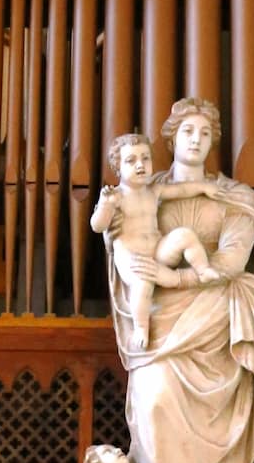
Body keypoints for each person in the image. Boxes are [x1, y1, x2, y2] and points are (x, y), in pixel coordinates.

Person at [105, 98, 254, 463]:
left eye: (205, 133)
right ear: (171, 137)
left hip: (215, 324)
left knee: (220, 422)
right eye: (188, 131)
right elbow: (119, 243)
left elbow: (230, 262)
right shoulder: (144, 186)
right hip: (160, 331)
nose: (196, 140)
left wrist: (175, 279)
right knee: (155, 397)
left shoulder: (235, 199)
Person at [91, 134, 219, 351]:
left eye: (145, 158)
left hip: (157, 250)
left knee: (184, 235)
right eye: (131, 161)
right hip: (133, 260)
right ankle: (141, 326)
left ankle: (203, 269)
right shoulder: (117, 197)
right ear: (118, 168)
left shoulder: (154, 190)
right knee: (143, 284)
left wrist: (203, 187)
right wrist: (105, 205)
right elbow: (98, 225)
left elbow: (181, 190)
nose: (140, 165)